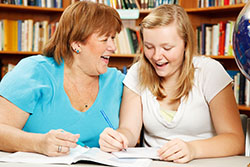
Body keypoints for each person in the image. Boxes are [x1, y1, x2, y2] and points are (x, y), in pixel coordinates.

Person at [99, 4, 245, 163]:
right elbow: (129, 131)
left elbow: (235, 141)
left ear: (185, 44)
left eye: (166, 48)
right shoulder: (136, 73)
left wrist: (192, 149)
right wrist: (119, 138)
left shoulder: (209, 72)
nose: (156, 56)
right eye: (149, 47)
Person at [0, 1, 124, 157]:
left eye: (113, 38)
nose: (113, 47)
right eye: (105, 39)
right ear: (76, 44)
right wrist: (38, 143)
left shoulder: (117, 81)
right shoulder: (33, 71)